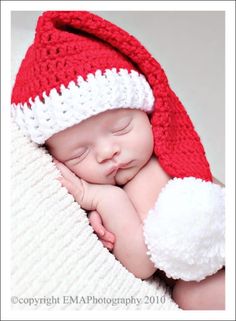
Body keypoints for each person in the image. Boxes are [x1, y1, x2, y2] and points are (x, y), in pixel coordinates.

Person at [11, 11, 225, 309]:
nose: (106, 152)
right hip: (210, 279)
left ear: (148, 114)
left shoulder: (173, 153)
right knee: (195, 295)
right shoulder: (118, 196)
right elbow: (142, 264)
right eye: (79, 153)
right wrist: (102, 198)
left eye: (121, 128)